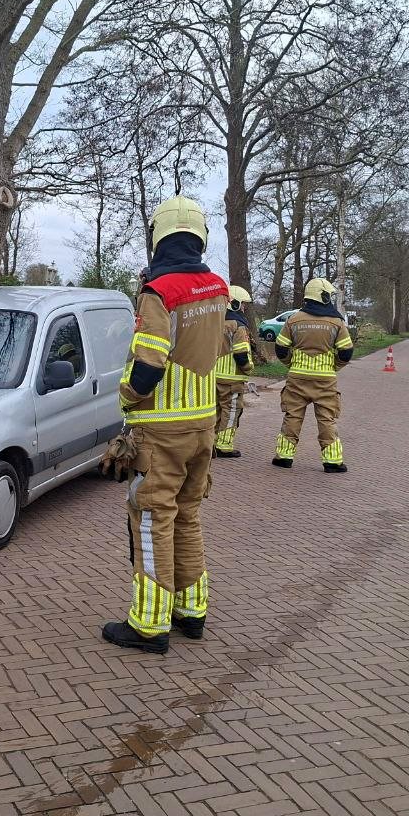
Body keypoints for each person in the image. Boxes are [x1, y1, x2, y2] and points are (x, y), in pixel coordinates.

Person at [102, 196, 228, 655]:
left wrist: (127, 396)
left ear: (158, 236)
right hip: (202, 424)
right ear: (200, 236)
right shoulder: (217, 287)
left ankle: (149, 624)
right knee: (187, 515)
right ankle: (191, 611)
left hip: (161, 430)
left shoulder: (159, 290)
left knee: (152, 519)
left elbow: (149, 364)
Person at [272, 277, 354, 473]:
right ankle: (332, 461)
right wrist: (333, 366)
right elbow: (346, 352)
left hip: (297, 379)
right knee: (326, 419)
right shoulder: (336, 322)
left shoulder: (293, 319)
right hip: (325, 381)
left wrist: (292, 364)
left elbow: (281, 348)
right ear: (323, 296)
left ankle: (284, 457)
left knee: (292, 416)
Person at [213, 285, 254, 458]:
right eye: (242, 304)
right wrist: (249, 368)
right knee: (231, 411)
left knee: (215, 411)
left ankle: (211, 442)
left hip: (212, 376)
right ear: (235, 304)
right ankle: (224, 445)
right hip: (232, 378)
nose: (244, 308)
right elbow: (241, 354)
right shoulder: (238, 326)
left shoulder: (213, 322)